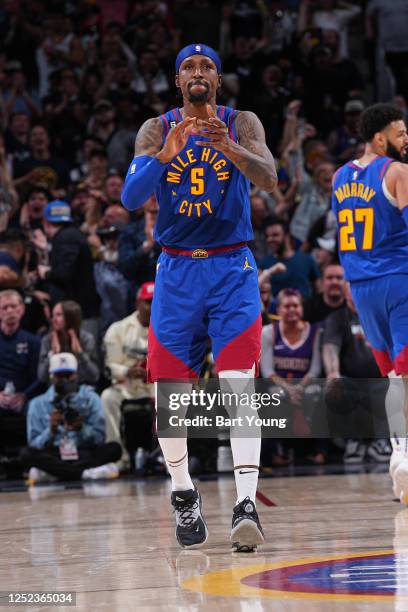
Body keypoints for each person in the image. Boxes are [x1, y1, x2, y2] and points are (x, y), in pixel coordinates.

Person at [121, 44, 277, 551]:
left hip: (233, 267)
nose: (197, 72)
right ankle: (184, 494)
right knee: (171, 395)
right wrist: (164, 157)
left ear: (218, 78)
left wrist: (230, 147)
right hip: (177, 270)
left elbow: (270, 179)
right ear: (176, 80)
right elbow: (128, 199)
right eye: (188, 67)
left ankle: (245, 505)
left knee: (239, 389)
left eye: (206, 66)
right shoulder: (156, 128)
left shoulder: (241, 121)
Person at [331, 103, 408, 501]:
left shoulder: (340, 177)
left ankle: (399, 453)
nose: (406, 139)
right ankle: (405, 458)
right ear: (381, 138)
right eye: (400, 132)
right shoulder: (398, 172)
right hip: (399, 279)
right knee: (405, 372)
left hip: (361, 287)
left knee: (392, 377)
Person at [22, 353, 121, 484]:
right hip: (55, 454)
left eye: (68, 375)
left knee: (114, 448)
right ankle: (85, 474)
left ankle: (57, 474)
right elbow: (33, 443)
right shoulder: (37, 404)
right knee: (26, 454)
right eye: (59, 376)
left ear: (76, 375)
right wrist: (50, 431)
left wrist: (81, 429)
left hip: (83, 452)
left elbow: (99, 439)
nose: (64, 380)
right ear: (51, 377)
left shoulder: (91, 399)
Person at [322, 283, 391, 464]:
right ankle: (353, 442)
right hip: (351, 381)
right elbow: (330, 347)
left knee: (394, 386)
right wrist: (333, 371)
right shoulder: (338, 318)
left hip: (383, 378)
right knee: (337, 385)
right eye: (353, 289)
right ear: (346, 295)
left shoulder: (381, 316)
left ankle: (383, 442)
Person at [260, 288, 324, 465]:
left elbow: (315, 369)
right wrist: (289, 389)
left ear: (302, 308)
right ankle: (277, 450)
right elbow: (267, 370)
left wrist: (299, 388)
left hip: (305, 383)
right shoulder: (268, 332)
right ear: (278, 309)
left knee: (315, 393)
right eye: (287, 306)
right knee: (276, 397)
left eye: (295, 305)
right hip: (278, 385)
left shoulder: (315, 332)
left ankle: (318, 450)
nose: (292, 310)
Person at [102, 282, 155, 471]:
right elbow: (110, 365)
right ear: (137, 303)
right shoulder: (118, 329)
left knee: (176, 392)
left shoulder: (169, 328)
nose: (153, 306)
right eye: (148, 302)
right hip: (127, 385)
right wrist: (127, 371)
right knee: (108, 397)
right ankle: (118, 457)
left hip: (155, 385)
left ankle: (169, 457)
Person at [0, 290, 41, 455]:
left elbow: (39, 377)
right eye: (4, 307)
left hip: (25, 396)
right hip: (1, 395)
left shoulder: (33, 341)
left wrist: (24, 395)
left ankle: (33, 455)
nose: (9, 311)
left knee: (36, 407)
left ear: (22, 310)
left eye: (13, 306)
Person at [38, 301, 99, 386]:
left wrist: (80, 354)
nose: (54, 319)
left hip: (82, 388)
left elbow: (94, 376)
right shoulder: (47, 340)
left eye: (59, 315)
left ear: (71, 317)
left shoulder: (86, 339)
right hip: (55, 389)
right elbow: (41, 377)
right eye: (53, 315)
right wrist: (52, 355)